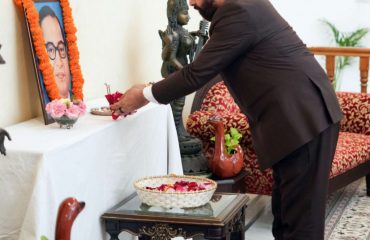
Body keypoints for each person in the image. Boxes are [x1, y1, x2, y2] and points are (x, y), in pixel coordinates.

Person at [111, 0, 342, 239]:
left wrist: (144, 95)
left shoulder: (239, 11)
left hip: (303, 120)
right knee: (285, 216)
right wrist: (149, 88)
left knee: (301, 225)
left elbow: (196, 73)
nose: (192, 3)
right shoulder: (244, 8)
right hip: (296, 121)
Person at [39, 5, 71, 99]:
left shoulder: (76, 100)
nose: (59, 62)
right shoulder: (46, 105)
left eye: (61, 49)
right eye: (50, 50)